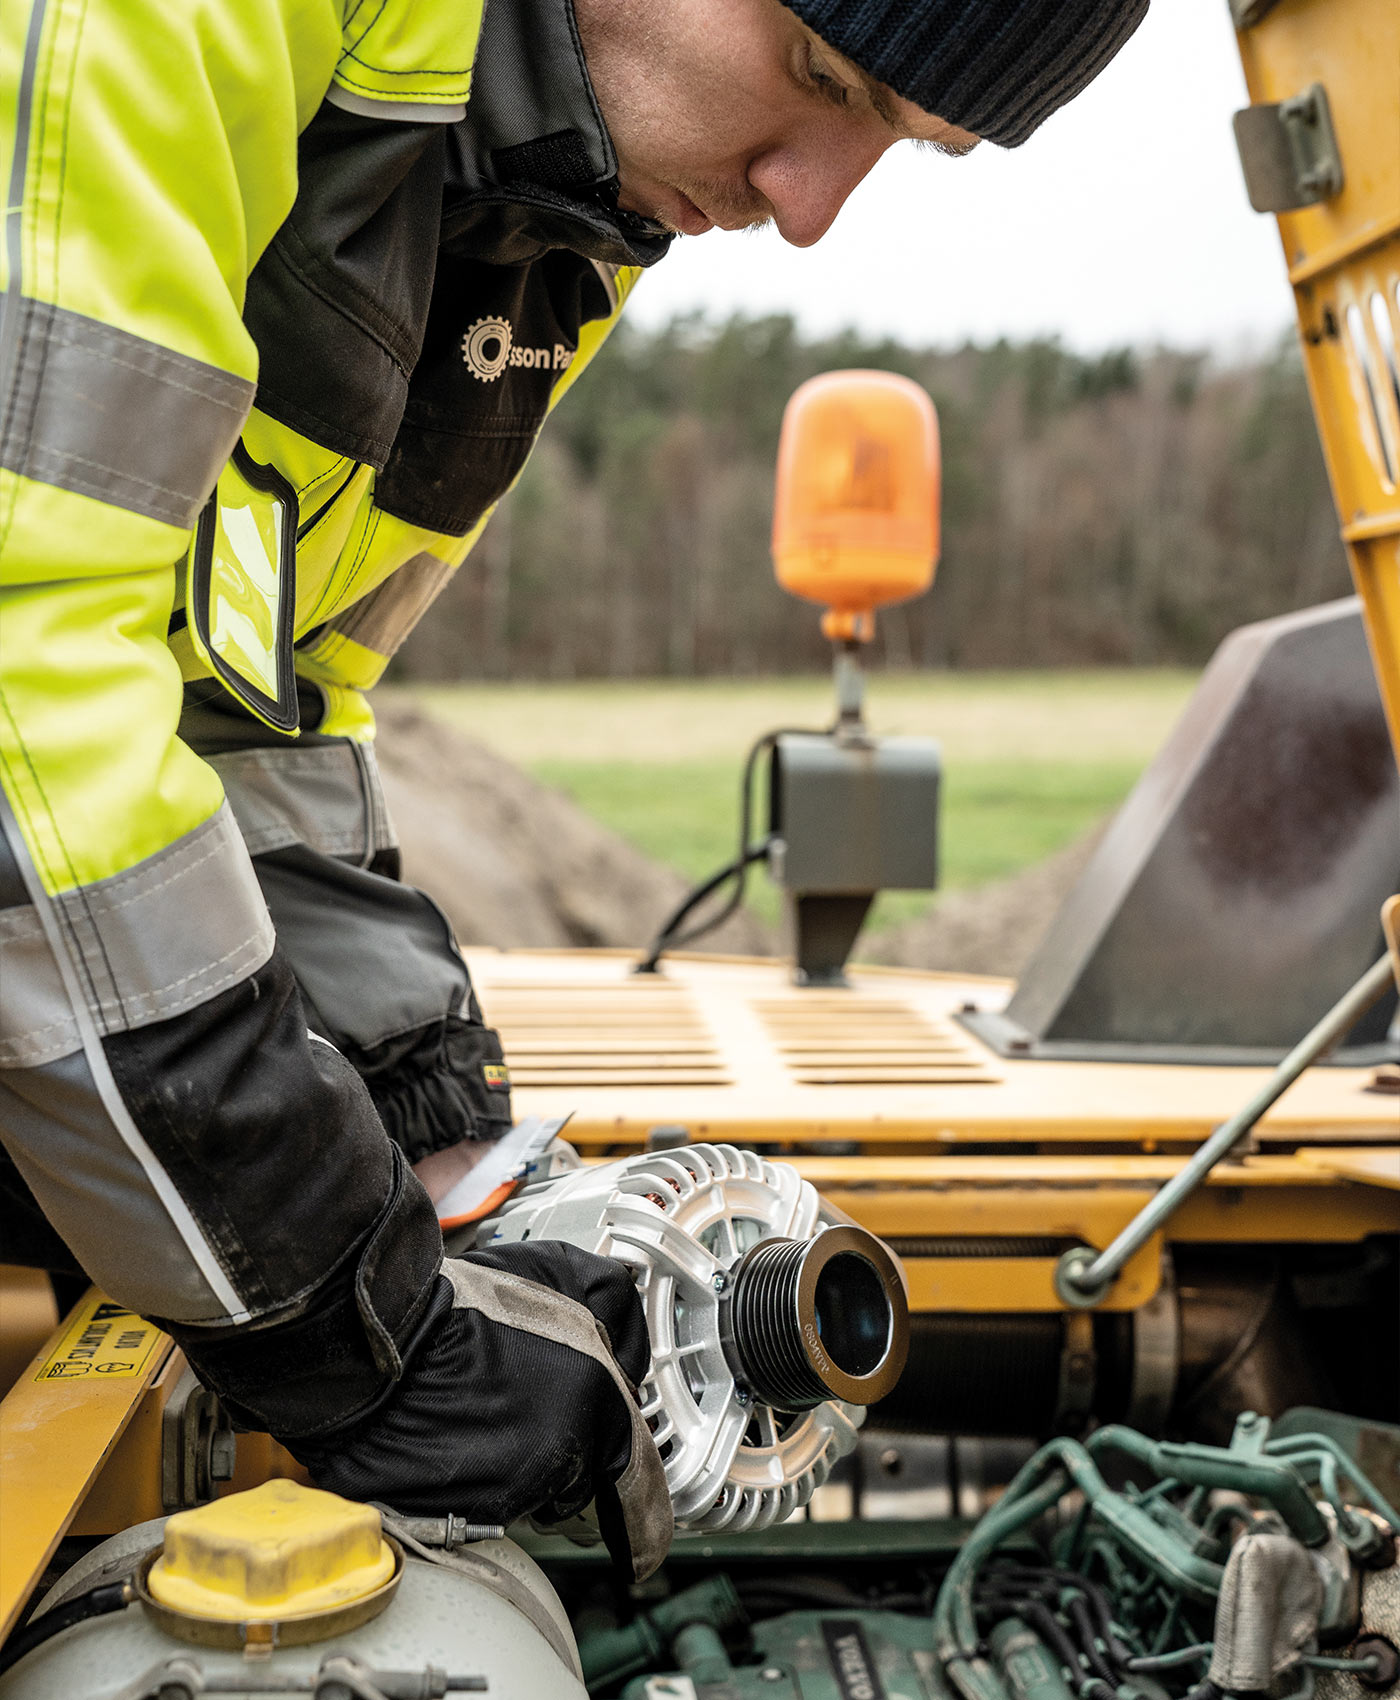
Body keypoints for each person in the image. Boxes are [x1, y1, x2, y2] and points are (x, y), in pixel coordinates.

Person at [0, 0, 1146, 1579]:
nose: (809, 208)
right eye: (821, 79)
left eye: (907, 150)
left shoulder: (552, 216)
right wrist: (362, 1327)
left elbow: (258, 695)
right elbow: (23, 699)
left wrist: (414, 1104)